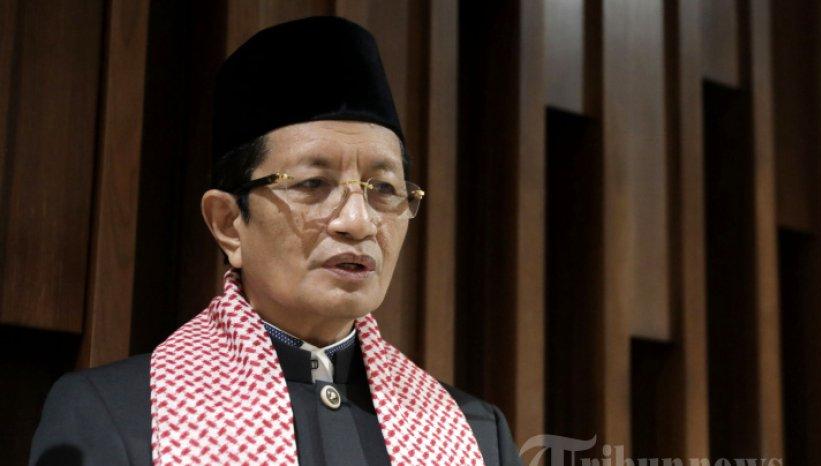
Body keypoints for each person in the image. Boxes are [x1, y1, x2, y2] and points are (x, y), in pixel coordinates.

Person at [29, 16, 522, 466]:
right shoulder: (115, 416)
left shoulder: (476, 434)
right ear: (228, 223)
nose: (358, 221)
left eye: (384, 189)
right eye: (313, 184)